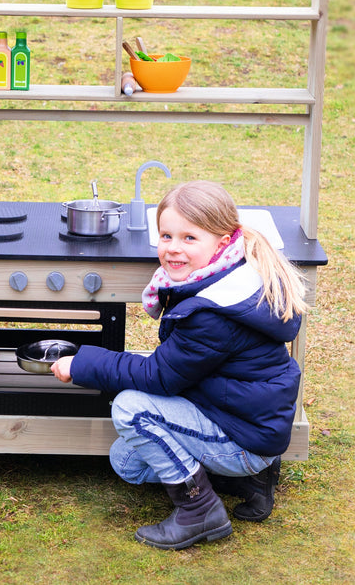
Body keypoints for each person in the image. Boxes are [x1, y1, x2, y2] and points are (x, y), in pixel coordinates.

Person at [51, 180, 307, 549]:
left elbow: (159, 376)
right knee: (127, 462)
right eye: (166, 236)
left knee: (131, 410)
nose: (173, 249)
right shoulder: (228, 274)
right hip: (237, 416)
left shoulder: (213, 313)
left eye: (190, 238)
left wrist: (83, 364)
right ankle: (245, 479)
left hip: (245, 435)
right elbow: (174, 367)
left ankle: (199, 510)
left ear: (221, 241)